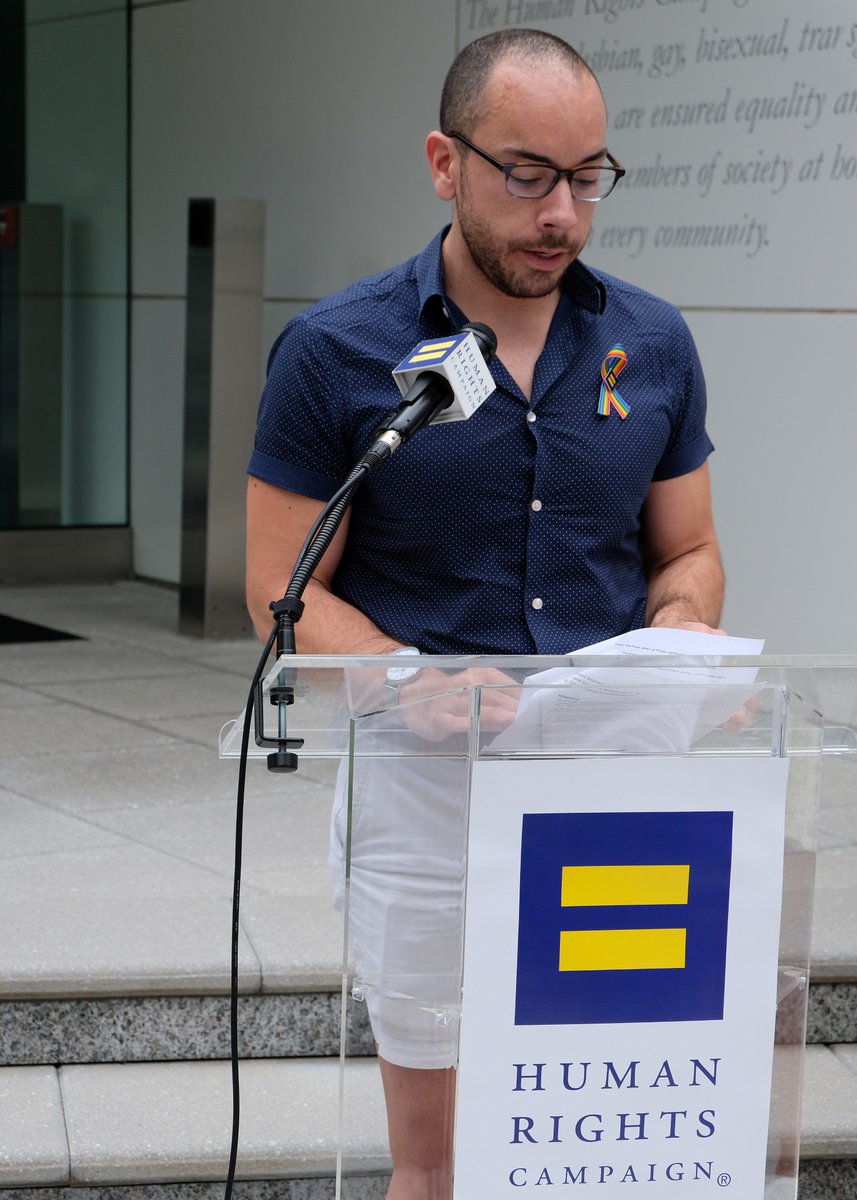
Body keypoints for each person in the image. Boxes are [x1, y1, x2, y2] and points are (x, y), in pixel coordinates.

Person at [246, 27, 724, 1200]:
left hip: (612, 789)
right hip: (426, 787)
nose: (558, 211)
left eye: (584, 177)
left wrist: (680, 625)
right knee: (443, 1162)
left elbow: (691, 552)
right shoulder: (335, 352)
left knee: (603, 1136)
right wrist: (413, 676)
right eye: (524, 173)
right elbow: (281, 586)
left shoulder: (650, 344)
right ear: (441, 162)